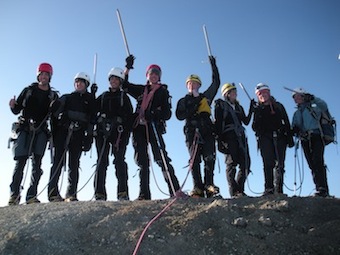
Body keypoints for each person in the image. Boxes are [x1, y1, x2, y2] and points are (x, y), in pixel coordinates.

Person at [123, 55, 182, 200]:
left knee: (161, 158)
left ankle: (175, 191)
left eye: (156, 74)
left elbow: (167, 113)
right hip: (139, 128)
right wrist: (127, 68)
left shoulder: (163, 92)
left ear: (159, 77)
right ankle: (144, 194)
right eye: (151, 73)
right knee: (142, 160)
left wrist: (154, 114)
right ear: (147, 75)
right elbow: (125, 86)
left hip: (154, 126)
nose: (154, 76)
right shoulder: (141, 90)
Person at [8, 62, 58, 205]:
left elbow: (54, 116)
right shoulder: (28, 90)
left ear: (50, 77)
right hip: (25, 128)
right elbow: (17, 110)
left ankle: (31, 195)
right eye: (41, 74)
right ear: (38, 75)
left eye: (46, 75)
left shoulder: (53, 95)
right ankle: (14, 195)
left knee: (37, 165)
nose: (44, 77)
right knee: (20, 162)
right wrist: (12, 106)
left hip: (41, 131)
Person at [175, 56, 220, 198]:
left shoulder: (206, 97)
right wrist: (194, 102)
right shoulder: (183, 100)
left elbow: (216, 83)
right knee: (194, 159)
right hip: (192, 131)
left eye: (195, 83)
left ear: (199, 85)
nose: (192, 85)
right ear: (187, 86)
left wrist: (213, 65)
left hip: (207, 130)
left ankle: (209, 185)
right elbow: (179, 115)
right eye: (190, 83)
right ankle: (197, 188)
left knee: (209, 157)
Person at [48, 72, 96, 202]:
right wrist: (55, 106)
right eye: (77, 82)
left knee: (74, 164)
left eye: (81, 82)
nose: (78, 84)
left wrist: (89, 137)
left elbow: (92, 118)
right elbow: (55, 111)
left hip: (78, 134)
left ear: (86, 84)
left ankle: (71, 193)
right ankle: (52, 193)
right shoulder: (67, 97)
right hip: (63, 132)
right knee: (58, 161)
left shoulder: (89, 101)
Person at [93, 67, 133, 201]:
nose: (114, 81)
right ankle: (99, 193)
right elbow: (92, 110)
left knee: (120, 161)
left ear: (121, 81)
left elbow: (130, 117)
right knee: (101, 161)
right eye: (112, 78)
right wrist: (91, 94)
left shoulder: (124, 97)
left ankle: (122, 192)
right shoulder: (103, 96)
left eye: (117, 79)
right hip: (102, 133)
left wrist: (125, 134)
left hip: (119, 134)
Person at [252, 83, 294, 196]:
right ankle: (269, 188)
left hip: (280, 137)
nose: (262, 95)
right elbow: (254, 127)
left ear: (269, 93)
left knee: (280, 163)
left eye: (264, 92)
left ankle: (278, 189)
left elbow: (286, 120)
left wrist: (289, 137)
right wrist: (254, 111)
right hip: (265, 138)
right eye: (260, 94)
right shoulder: (258, 109)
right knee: (268, 163)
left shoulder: (278, 106)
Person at [214, 83, 253, 198]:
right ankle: (234, 192)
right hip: (228, 137)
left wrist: (251, 108)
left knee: (246, 164)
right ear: (227, 94)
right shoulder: (220, 105)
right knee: (231, 164)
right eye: (233, 92)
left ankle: (239, 190)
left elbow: (245, 121)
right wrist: (219, 141)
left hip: (240, 137)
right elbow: (218, 123)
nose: (235, 94)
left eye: (235, 92)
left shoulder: (238, 107)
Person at [291, 88, 330, 197]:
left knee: (318, 160)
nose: (296, 98)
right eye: (294, 97)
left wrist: (313, 98)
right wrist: (294, 129)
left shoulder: (314, 106)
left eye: (298, 96)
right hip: (304, 139)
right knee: (311, 164)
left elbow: (324, 106)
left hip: (317, 136)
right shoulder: (296, 113)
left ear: (303, 96)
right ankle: (319, 187)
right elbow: (294, 125)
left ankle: (323, 188)